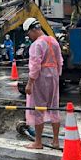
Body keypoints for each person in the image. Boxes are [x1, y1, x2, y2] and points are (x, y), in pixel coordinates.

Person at [23, 18, 63, 149]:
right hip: (54, 76)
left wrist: (30, 83)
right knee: (54, 107)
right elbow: (60, 61)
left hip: (41, 78)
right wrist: (56, 75)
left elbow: (35, 66)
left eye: (28, 33)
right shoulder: (53, 41)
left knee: (38, 109)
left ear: (33, 29)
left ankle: (38, 142)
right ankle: (56, 141)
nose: (29, 36)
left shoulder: (37, 45)